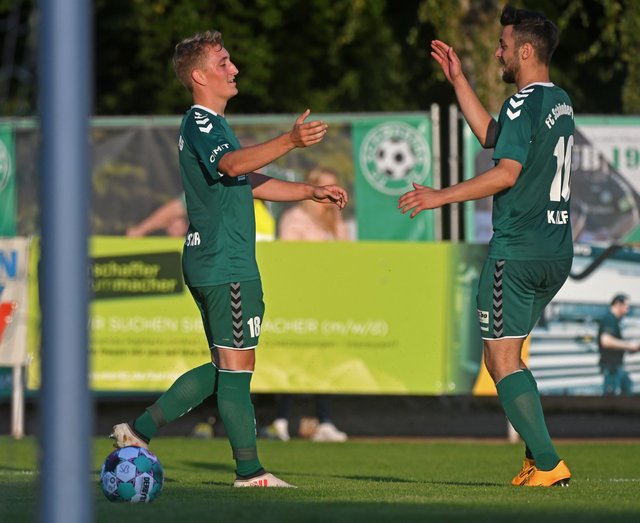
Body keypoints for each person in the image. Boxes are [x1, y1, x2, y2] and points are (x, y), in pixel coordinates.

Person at [110, 29, 348, 488]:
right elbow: (234, 166)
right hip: (225, 262)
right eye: (223, 62)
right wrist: (290, 140)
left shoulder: (212, 126)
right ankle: (249, 472)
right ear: (200, 76)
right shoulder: (202, 122)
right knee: (237, 368)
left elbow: (244, 177)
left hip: (215, 261)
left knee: (227, 367)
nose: (234, 68)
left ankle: (138, 431)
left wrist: (308, 191)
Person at [399, 5, 573, 487]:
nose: (498, 53)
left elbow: (506, 172)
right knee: (506, 356)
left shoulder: (521, 102)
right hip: (555, 250)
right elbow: (495, 138)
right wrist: (459, 81)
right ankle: (538, 460)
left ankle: (548, 463)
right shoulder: (559, 101)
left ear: (525, 50)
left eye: (503, 45)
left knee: (499, 360)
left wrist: (439, 196)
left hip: (517, 252)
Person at [262, 168, 350, 443]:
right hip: (300, 299)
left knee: (324, 358)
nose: (332, 195)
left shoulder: (335, 221)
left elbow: (348, 255)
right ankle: (280, 420)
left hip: (327, 299)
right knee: (296, 357)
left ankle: (325, 421)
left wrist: (335, 222)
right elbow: (291, 258)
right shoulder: (295, 218)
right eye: (327, 188)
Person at [598, 294, 639, 395]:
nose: (627, 310)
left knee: (627, 387)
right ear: (618, 304)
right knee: (611, 398)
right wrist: (628, 345)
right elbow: (606, 341)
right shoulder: (609, 319)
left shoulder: (614, 320)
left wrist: (632, 348)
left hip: (617, 367)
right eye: (626, 306)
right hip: (611, 368)